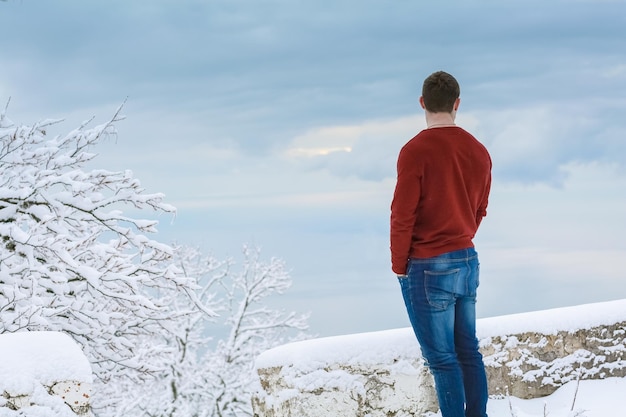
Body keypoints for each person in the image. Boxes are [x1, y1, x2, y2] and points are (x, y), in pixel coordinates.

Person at [390, 71, 492, 417]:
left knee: (443, 361)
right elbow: (480, 209)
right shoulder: (478, 151)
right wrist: (462, 235)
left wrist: (399, 265)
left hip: (427, 264)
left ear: (422, 103)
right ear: (456, 104)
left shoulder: (414, 152)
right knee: (469, 352)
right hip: (466, 258)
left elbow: (402, 215)